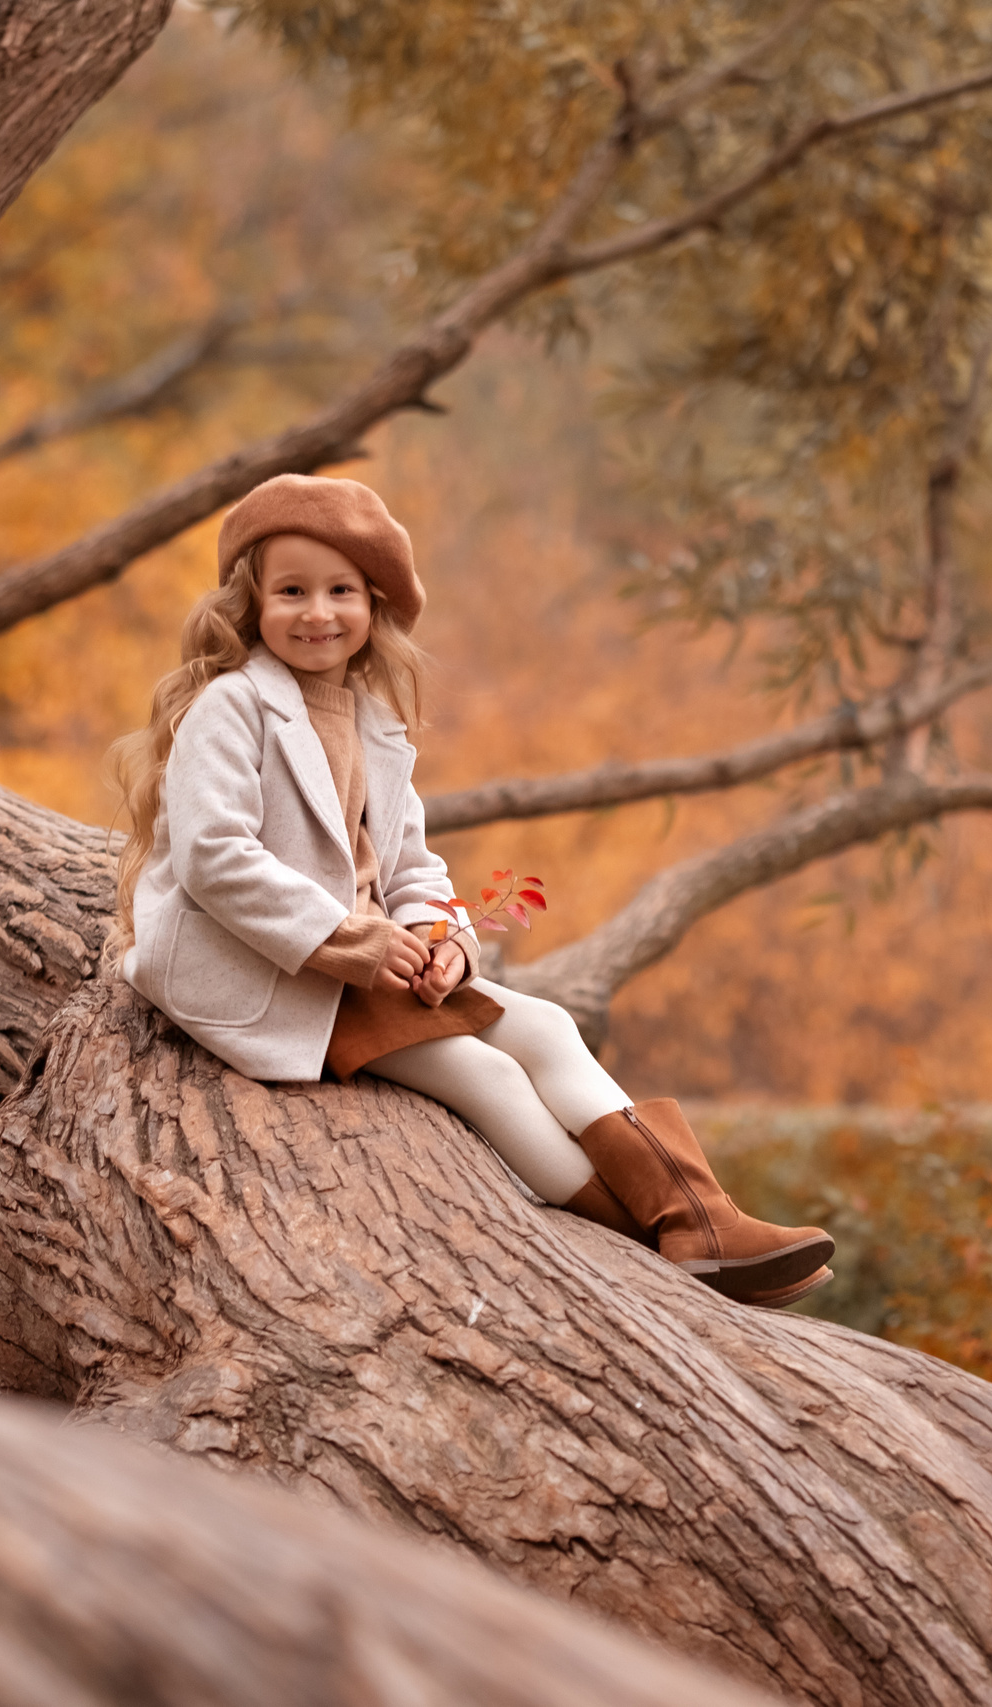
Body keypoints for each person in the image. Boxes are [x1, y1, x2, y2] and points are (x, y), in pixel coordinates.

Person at [111, 474, 832, 1308]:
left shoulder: (374, 724)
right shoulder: (231, 707)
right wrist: (356, 941)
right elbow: (214, 856)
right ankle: (644, 1243)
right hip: (270, 966)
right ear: (252, 603)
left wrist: (443, 938)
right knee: (486, 1076)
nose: (318, 612)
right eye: (292, 591)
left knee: (548, 1026)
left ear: (374, 605)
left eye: (342, 591)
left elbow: (415, 868)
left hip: (366, 961)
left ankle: (701, 1220)